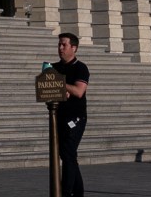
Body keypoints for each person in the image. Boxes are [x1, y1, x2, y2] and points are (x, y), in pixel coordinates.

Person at [47, 33, 91, 197]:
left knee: (67, 153)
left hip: (76, 118)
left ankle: (65, 192)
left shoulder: (80, 67)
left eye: (64, 45)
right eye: (59, 44)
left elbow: (79, 91)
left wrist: (61, 85)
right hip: (58, 116)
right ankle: (78, 192)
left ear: (74, 47)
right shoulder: (54, 68)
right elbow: (50, 89)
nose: (60, 48)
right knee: (68, 155)